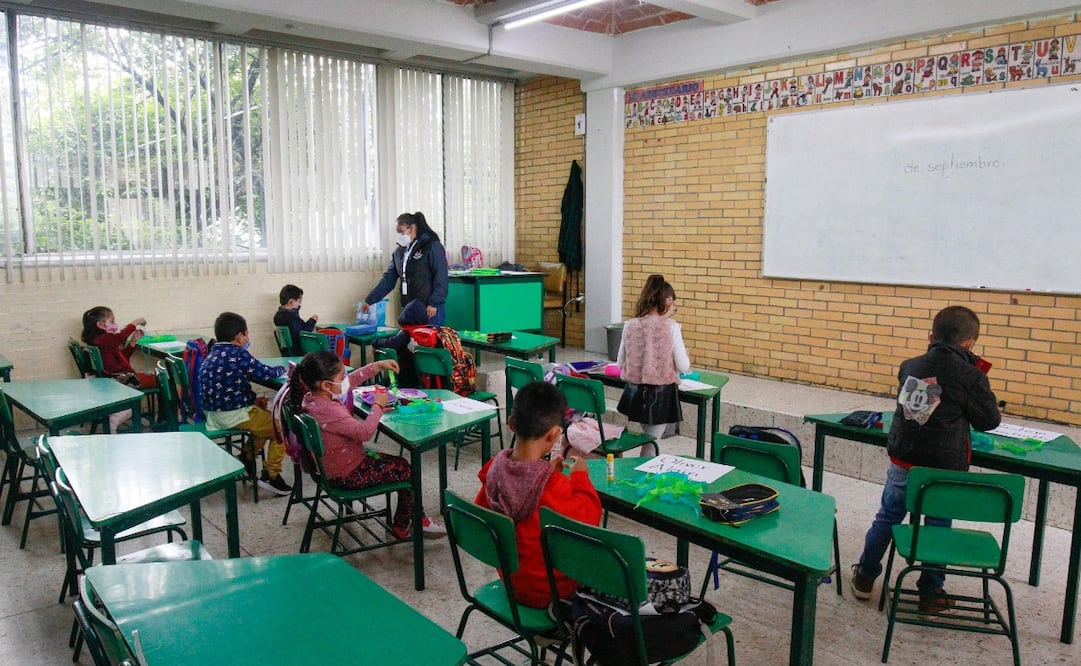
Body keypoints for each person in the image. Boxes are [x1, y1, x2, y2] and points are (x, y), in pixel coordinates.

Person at [851, 305, 1001, 612]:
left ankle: (865, 575)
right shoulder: (971, 376)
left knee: (888, 517)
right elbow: (989, 421)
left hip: (904, 464)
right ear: (970, 343)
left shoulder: (912, 366)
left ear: (931, 336)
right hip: (942, 471)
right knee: (938, 524)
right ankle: (931, 591)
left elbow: (917, 415)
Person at [289, 350, 445, 539]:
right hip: (347, 474)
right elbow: (364, 433)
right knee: (406, 470)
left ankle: (407, 521)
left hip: (334, 467)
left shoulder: (312, 398)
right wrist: (377, 407)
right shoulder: (328, 409)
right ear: (326, 384)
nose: (346, 379)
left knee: (401, 465)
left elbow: (349, 383)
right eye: (341, 376)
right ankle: (411, 523)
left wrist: (377, 366)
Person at [475, 381, 602, 608]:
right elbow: (589, 518)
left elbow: (485, 516)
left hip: (512, 581)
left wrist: (546, 473)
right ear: (554, 433)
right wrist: (581, 477)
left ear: (511, 424)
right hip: (553, 590)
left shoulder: (493, 470)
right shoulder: (552, 486)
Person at [200, 311, 292, 496]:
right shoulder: (238, 354)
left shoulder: (213, 353)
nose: (248, 338)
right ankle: (271, 475)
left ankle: (247, 458)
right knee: (281, 426)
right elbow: (266, 373)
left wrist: (252, 400)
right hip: (234, 414)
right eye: (247, 334)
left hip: (213, 414)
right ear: (239, 337)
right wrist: (284, 369)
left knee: (263, 416)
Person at [615, 274, 690, 456]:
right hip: (660, 395)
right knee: (650, 444)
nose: (675, 308)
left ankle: (644, 472)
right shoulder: (671, 327)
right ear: (665, 302)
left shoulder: (629, 325)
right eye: (673, 304)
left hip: (635, 393)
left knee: (649, 439)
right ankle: (644, 476)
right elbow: (683, 365)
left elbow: (619, 363)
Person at [360, 211, 449, 327]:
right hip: (409, 307)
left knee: (429, 342)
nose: (399, 236)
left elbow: (441, 276)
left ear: (411, 228)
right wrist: (370, 300)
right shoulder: (399, 253)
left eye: (401, 232)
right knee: (410, 342)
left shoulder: (431, 246)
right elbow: (388, 279)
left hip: (429, 308)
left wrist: (434, 303)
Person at [81, 306, 157, 431]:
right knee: (163, 380)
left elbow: (122, 359)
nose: (115, 325)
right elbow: (120, 337)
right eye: (112, 321)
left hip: (117, 375)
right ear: (100, 324)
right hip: (118, 379)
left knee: (153, 378)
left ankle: (133, 416)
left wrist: (132, 342)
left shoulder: (103, 341)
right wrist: (135, 323)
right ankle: (164, 421)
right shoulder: (103, 339)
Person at [273, 284, 318, 356]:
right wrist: (312, 321)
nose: (299, 304)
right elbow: (303, 334)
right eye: (299, 301)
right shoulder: (292, 319)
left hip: (287, 352)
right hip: (298, 352)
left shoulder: (278, 316)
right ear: (292, 302)